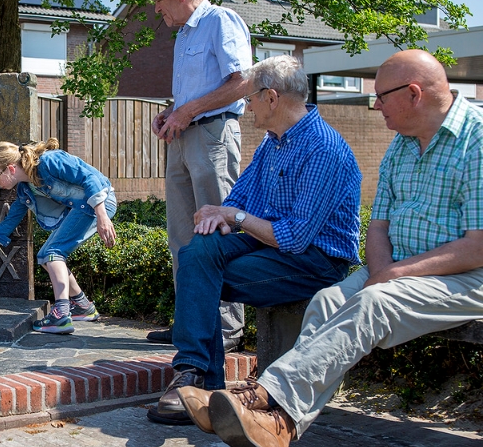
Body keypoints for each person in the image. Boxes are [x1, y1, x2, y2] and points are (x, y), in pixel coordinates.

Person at [177, 49, 483, 447]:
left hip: (463, 276)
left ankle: (260, 399)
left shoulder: (477, 142)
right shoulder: (401, 145)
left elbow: (478, 248)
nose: (373, 105)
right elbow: (378, 227)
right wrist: (381, 272)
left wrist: (389, 277)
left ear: (414, 94)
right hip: (391, 269)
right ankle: (271, 426)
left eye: (380, 96)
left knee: (373, 303)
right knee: (317, 302)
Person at [147, 55, 362, 426]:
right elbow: (238, 200)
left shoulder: (324, 149)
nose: (245, 107)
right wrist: (217, 214)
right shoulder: (273, 143)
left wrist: (235, 217)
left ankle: (199, 381)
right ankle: (196, 374)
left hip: (315, 261)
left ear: (272, 98)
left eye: (251, 98)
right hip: (268, 244)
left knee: (201, 276)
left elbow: (293, 237)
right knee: (197, 250)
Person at [146, 0, 252, 353]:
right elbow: (197, 90)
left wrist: (187, 112)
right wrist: (174, 109)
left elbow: (241, 82)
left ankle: (225, 332)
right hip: (183, 137)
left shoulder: (221, 21)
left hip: (212, 135)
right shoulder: (183, 35)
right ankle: (190, 326)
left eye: (160, 0)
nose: (158, 9)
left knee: (218, 231)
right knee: (183, 237)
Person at [0, 138, 117, 334]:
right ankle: (83, 306)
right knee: (46, 257)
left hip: (99, 204)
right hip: (84, 209)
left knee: (53, 253)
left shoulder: (49, 161)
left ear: (10, 169)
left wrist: (102, 216)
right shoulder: (25, 189)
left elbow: (89, 178)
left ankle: (61, 315)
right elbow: (7, 224)